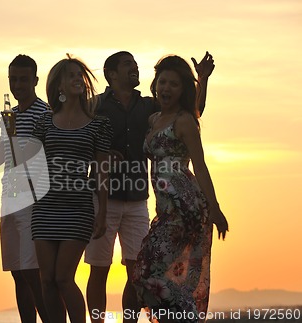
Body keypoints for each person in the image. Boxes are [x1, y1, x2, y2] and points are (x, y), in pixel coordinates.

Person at [84, 51, 215, 323]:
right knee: (99, 269)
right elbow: (76, 135)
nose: (135, 68)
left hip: (137, 199)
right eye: (128, 64)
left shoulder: (148, 107)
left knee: (136, 271)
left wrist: (202, 81)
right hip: (103, 198)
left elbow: (187, 111)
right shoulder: (95, 105)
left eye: (135, 64)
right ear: (111, 73)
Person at [130, 54, 228, 323]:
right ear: (155, 84)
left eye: (174, 84)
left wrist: (215, 209)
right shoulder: (154, 119)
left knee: (147, 272)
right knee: (146, 273)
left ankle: (188, 317)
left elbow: (201, 166)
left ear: (183, 89)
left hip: (186, 208)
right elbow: (197, 107)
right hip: (166, 210)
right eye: (163, 82)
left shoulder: (184, 121)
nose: (166, 88)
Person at [22, 55, 112, 323]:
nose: (77, 79)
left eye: (79, 75)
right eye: (70, 75)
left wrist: (103, 212)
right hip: (45, 209)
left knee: (63, 278)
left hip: (78, 208)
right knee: (46, 280)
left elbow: (101, 172)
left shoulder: (99, 124)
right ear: (58, 85)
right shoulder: (44, 123)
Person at [0, 55, 50, 323]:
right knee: (18, 271)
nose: (17, 84)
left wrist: (14, 134)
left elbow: (43, 156)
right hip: (9, 197)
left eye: (23, 79)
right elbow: (1, 153)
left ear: (35, 81)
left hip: (33, 199)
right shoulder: (10, 116)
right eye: (13, 79)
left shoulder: (45, 113)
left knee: (33, 271)